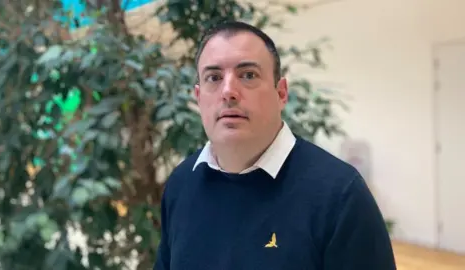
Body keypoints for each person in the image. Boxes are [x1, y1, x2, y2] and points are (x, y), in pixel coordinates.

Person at [153, 20, 396, 270]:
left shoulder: (340, 196)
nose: (228, 91)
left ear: (281, 93)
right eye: (213, 77)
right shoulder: (181, 185)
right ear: (198, 97)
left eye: (248, 75)